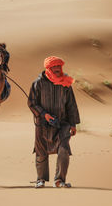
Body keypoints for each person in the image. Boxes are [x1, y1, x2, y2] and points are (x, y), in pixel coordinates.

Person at [28, 56, 80, 188]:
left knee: (64, 150)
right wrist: (44, 115)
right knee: (41, 151)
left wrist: (73, 124)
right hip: (42, 124)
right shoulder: (38, 83)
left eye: (59, 66)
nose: (57, 69)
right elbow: (32, 103)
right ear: (48, 68)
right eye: (54, 67)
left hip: (62, 123)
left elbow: (71, 105)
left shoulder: (65, 83)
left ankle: (59, 180)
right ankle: (40, 179)